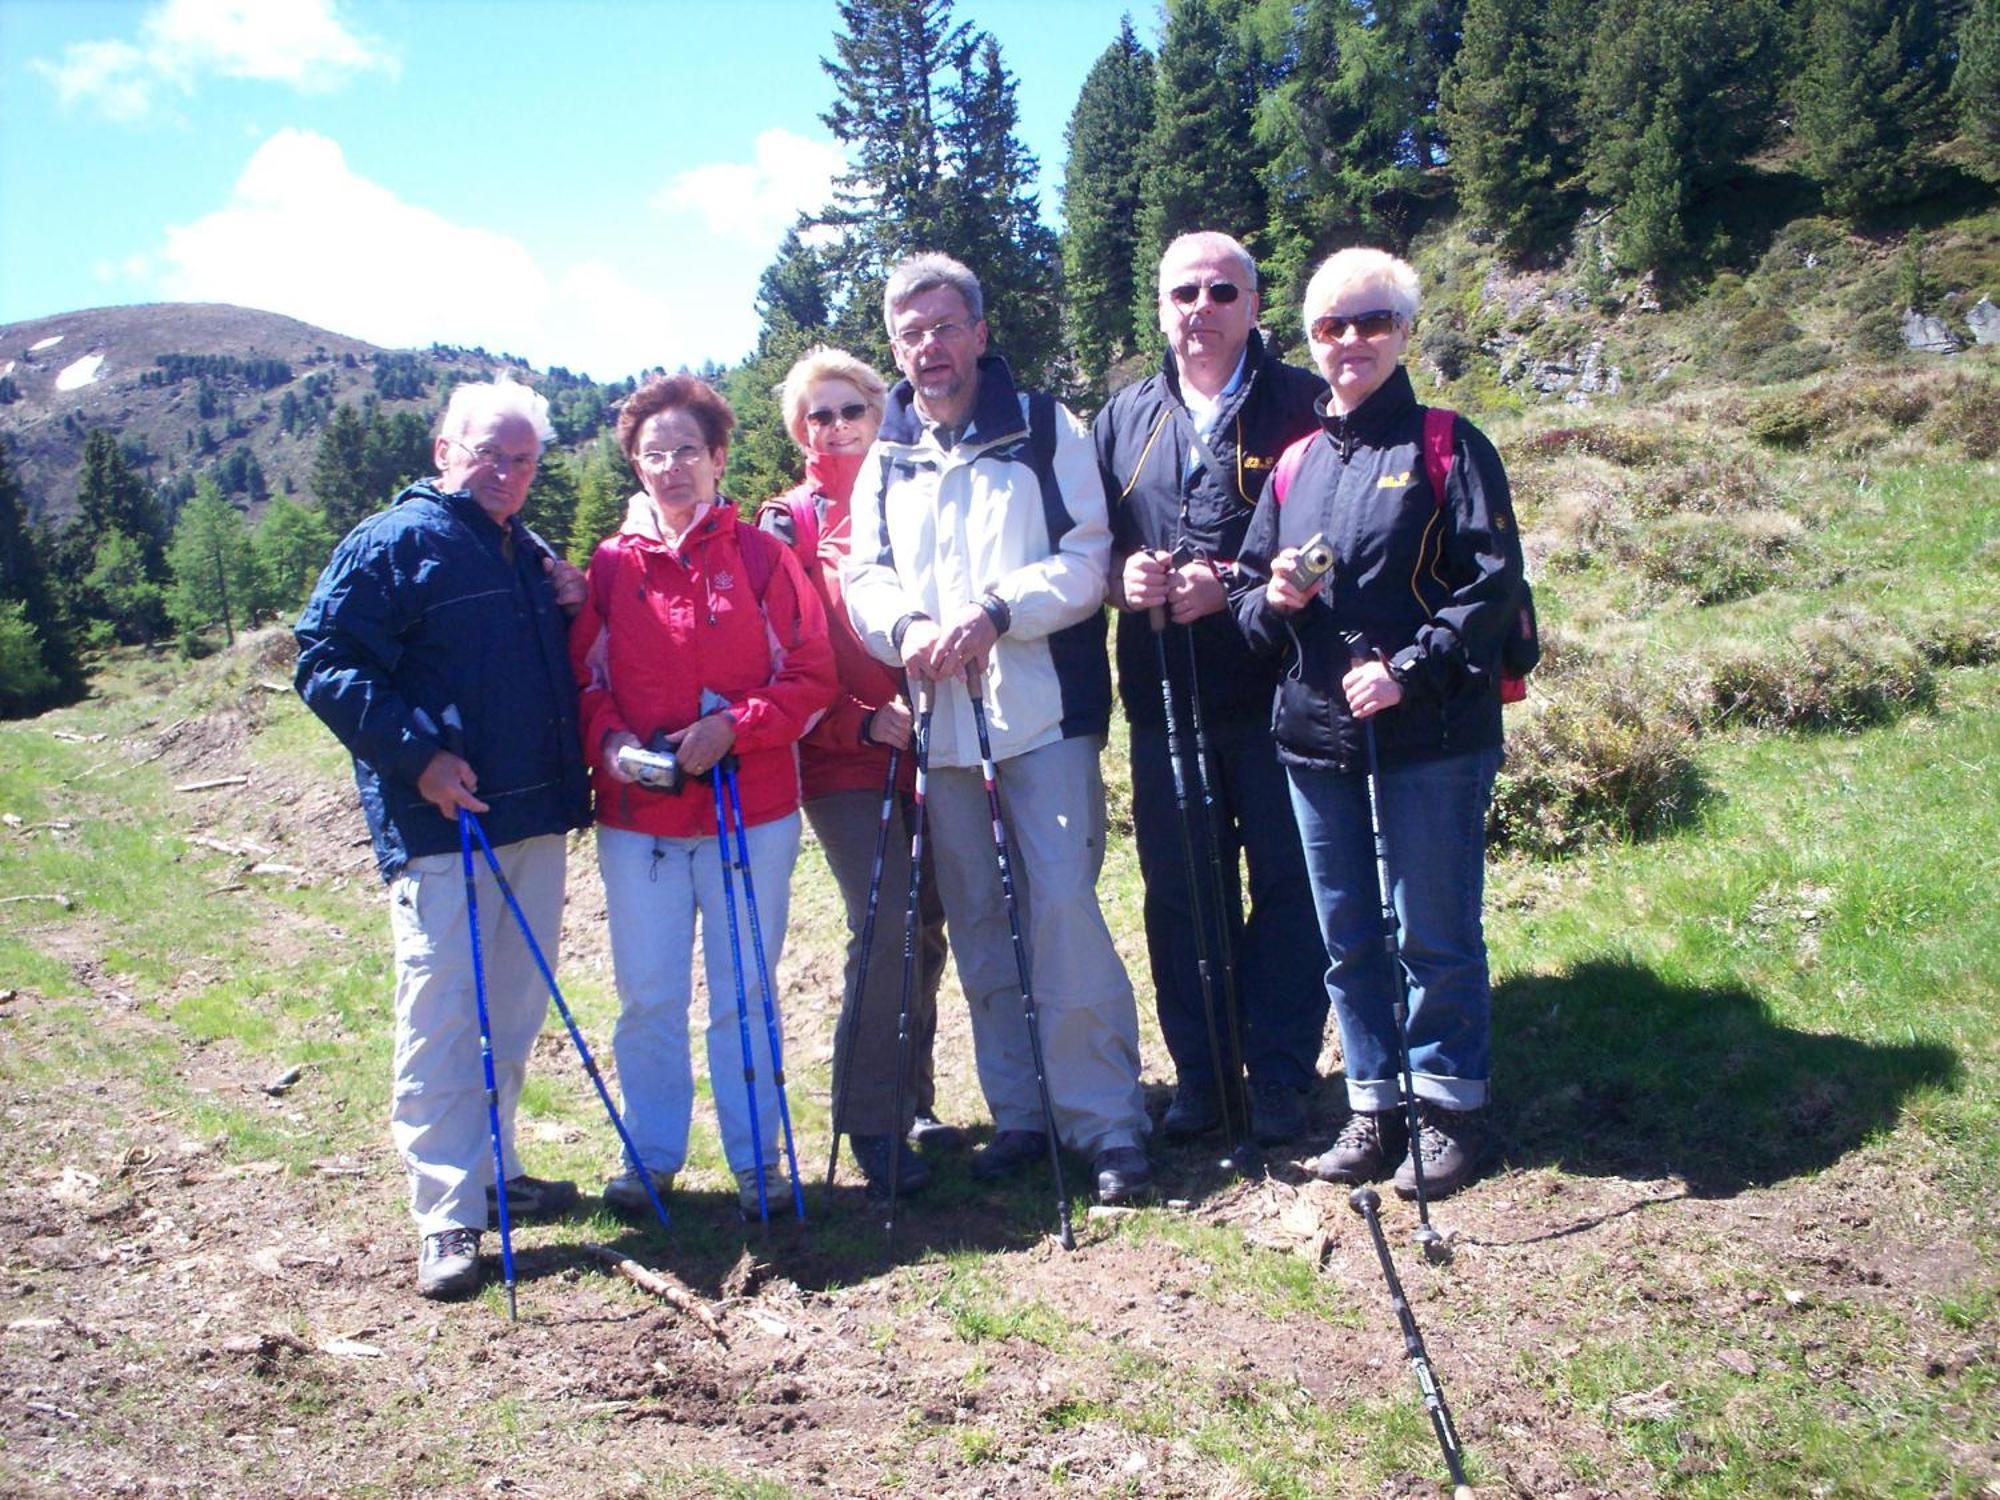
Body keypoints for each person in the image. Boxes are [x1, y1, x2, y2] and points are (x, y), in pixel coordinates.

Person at [844, 252, 1153, 1205]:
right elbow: (865, 576)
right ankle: (1022, 1114)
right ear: (893, 347)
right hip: (942, 725)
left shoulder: (1047, 427)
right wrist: (908, 628)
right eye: (910, 333)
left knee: (1061, 911)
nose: (929, 348)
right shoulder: (886, 453)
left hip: (1047, 713)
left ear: (979, 333)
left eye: (945, 327)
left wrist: (993, 610)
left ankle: (1106, 1123)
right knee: (978, 920)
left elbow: (1088, 560)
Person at [1229, 248, 1527, 1200]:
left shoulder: (1448, 444)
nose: (1350, 342)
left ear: (1405, 332)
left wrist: (1407, 670)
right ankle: (1374, 1107)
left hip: (1433, 736)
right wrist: (1272, 597)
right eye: (1330, 326)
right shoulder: (1295, 465)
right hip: (1314, 737)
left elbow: (1493, 590)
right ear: (1310, 340)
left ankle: (1448, 1112)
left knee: (1432, 930)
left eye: (1371, 323)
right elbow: (1246, 609)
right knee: (1350, 934)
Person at [295, 378, 592, 1301]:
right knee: (441, 1020)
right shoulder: (392, 543)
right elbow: (325, 659)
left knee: (510, 1012)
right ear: (444, 451)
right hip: (442, 826)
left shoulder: (522, 549)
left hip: (533, 816)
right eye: (488, 454)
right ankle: (446, 1217)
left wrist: (574, 602)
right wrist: (418, 757)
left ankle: (494, 1174)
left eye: (524, 459)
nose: (506, 472)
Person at [570, 374, 835, 1219]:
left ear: (719, 457)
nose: (673, 466)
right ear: (637, 468)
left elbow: (813, 675)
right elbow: (583, 680)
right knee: (648, 997)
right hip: (639, 820)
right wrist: (610, 742)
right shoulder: (609, 567)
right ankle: (649, 1157)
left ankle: (760, 1162)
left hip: (749, 812)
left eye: (688, 449)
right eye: (655, 454)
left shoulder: (762, 558)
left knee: (744, 993)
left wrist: (740, 727)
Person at [1093, 231, 1329, 1149]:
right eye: (1183, 292)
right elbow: (1091, 547)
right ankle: (1200, 1077)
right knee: (1181, 893)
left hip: (1281, 695)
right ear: (1160, 307)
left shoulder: (1306, 407)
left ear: (1253, 306)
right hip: (1163, 701)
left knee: (1286, 888)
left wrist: (1231, 584)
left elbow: (1335, 539)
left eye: (1222, 292)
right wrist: (1123, 579)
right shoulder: (1122, 419)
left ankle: (1277, 1075)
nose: (1201, 307)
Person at [756, 347, 958, 1197]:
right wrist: (859, 719)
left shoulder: (915, 494)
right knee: (883, 922)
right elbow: (780, 652)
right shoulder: (785, 526)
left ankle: (913, 1100)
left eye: (850, 410)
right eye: (817, 415)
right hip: (839, 756)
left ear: (881, 412)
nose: (834, 427)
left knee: (928, 927)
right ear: (798, 430)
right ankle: (866, 1118)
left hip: (938, 744)